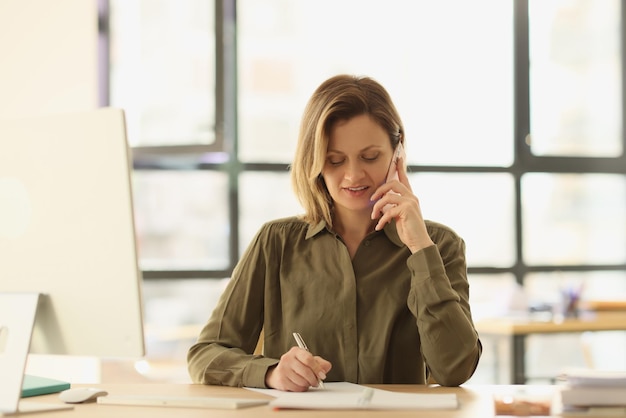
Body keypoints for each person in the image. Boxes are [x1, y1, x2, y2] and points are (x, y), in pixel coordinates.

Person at [187, 74, 482, 391]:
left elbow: (456, 369)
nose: (353, 175)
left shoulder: (440, 245)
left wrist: (420, 248)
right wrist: (271, 372)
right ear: (313, 161)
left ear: (398, 153)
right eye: (335, 160)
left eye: (370, 157)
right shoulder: (276, 243)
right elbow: (206, 355)